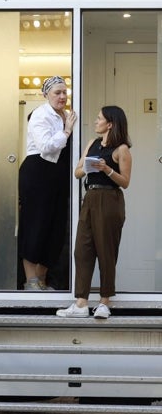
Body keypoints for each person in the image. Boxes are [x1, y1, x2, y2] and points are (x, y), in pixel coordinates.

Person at [57, 106, 132, 319]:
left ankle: (104, 302)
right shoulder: (92, 144)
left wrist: (107, 169)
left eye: (99, 118)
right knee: (82, 250)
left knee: (106, 252)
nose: (96, 121)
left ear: (110, 124)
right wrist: (90, 167)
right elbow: (77, 171)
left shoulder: (122, 149)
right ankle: (81, 303)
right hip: (89, 198)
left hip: (110, 199)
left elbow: (125, 182)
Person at [18, 76, 77, 291]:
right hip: (37, 173)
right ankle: (30, 281)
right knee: (35, 225)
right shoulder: (40, 115)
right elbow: (45, 146)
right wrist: (67, 131)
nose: (62, 96)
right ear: (46, 95)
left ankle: (42, 280)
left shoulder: (68, 115)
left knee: (55, 227)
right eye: (57, 93)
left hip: (58, 176)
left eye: (65, 92)